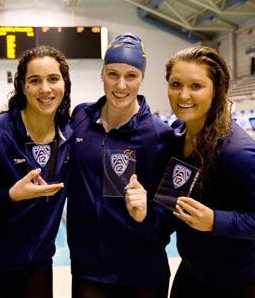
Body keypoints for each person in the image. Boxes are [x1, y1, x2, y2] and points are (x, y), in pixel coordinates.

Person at [165, 46, 255, 297]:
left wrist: (216, 221)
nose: (183, 95)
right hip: (192, 272)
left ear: (216, 90)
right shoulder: (178, 137)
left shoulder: (238, 153)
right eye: (176, 84)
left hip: (236, 283)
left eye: (196, 86)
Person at [66, 33, 175, 297]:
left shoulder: (161, 136)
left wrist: (145, 215)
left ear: (142, 78)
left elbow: (171, 211)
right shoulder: (81, 116)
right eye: (113, 74)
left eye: (131, 75)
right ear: (102, 74)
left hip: (142, 274)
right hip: (87, 270)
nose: (121, 85)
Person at [0, 45, 73, 298]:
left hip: (38, 266)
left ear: (64, 84)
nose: (45, 89)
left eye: (53, 79)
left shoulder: (70, 135)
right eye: (35, 81)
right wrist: (10, 196)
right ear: (23, 86)